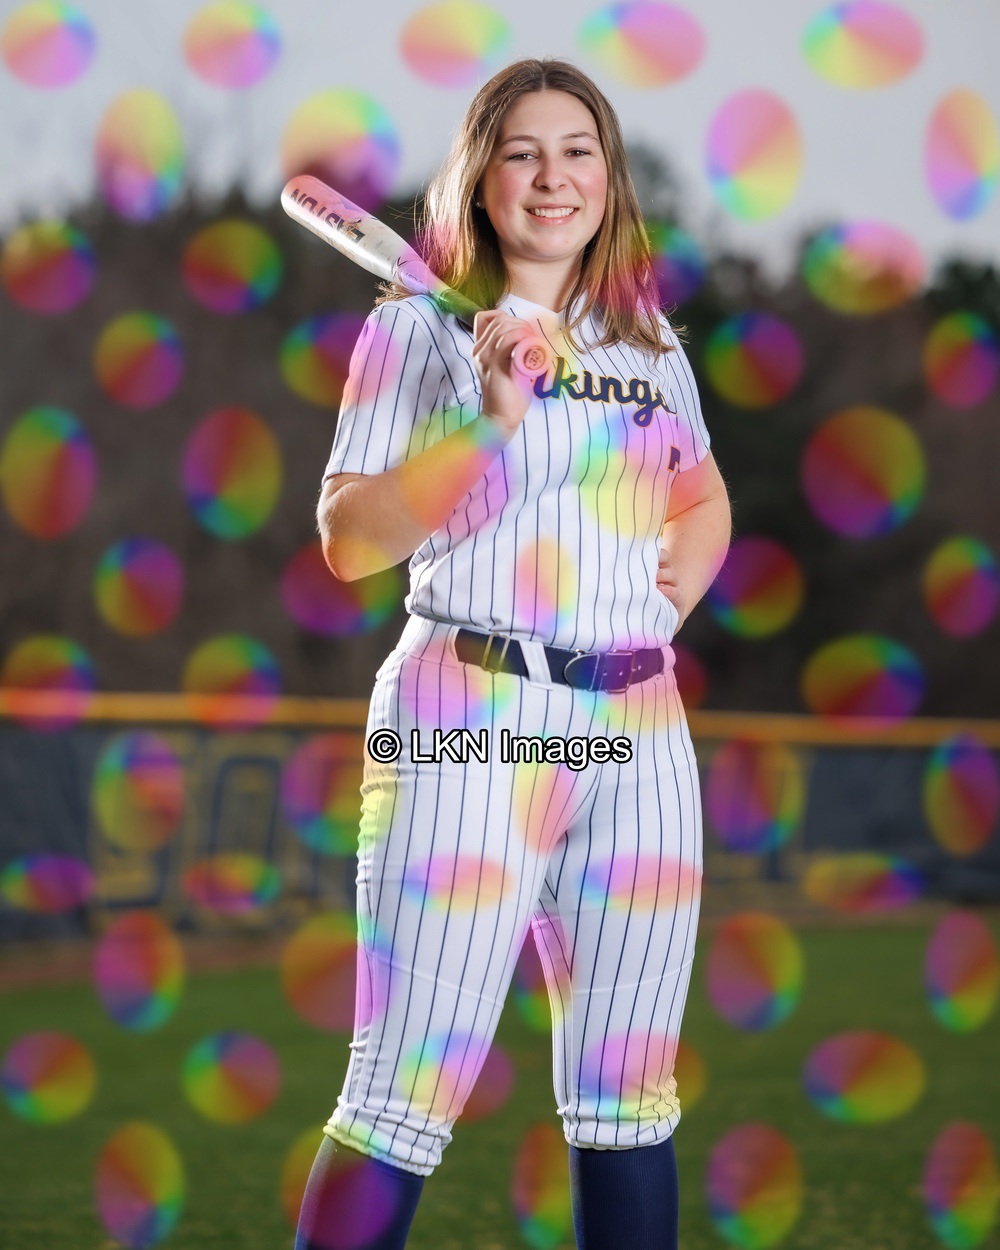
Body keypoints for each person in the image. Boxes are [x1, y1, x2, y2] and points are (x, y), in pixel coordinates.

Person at [295, 56, 731, 1250]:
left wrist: (659, 612)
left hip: (634, 732)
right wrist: (489, 417)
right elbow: (350, 541)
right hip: (470, 713)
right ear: (480, 180)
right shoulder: (413, 331)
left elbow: (700, 499)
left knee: (628, 1096)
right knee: (402, 1092)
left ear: (609, 177)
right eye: (522, 152)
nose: (553, 176)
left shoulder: (648, 345)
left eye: (578, 150)